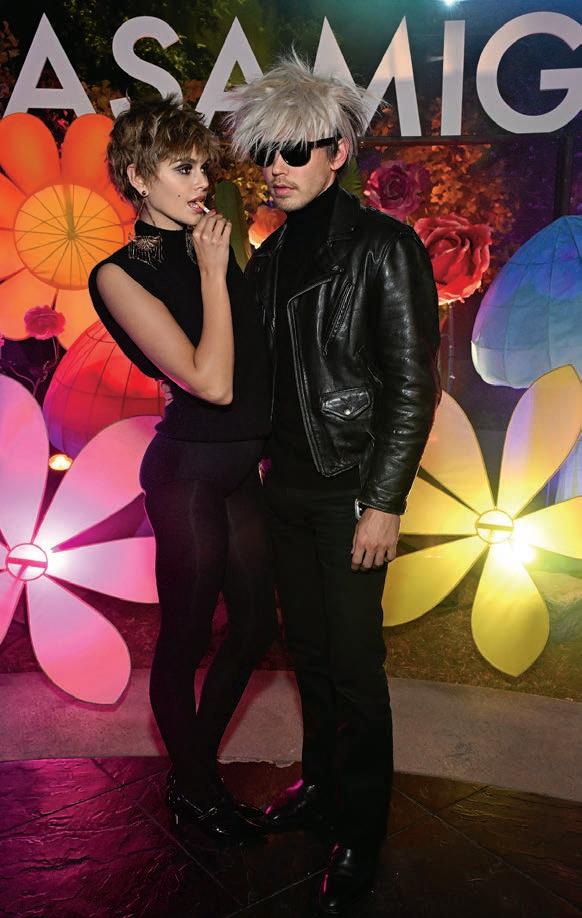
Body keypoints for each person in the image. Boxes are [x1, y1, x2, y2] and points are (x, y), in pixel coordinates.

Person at [228, 55, 441, 913]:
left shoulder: (384, 247)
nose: (277, 168)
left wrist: (384, 501)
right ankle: (320, 787)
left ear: (338, 152)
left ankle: (362, 827)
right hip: (285, 489)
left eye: (296, 151)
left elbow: (413, 384)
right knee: (309, 656)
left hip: (351, 488)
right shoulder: (272, 254)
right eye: (267, 153)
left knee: (354, 667)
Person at [88, 97, 276, 844]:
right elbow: (213, 382)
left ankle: (193, 768)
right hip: (188, 472)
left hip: (238, 468)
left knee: (256, 626)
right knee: (186, 637)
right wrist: (212, 272)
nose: (203, 181)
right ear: (138, 177)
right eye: (183, 167)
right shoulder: (118, 274)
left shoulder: (212, 244)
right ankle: (198, 788)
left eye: (204, 166)